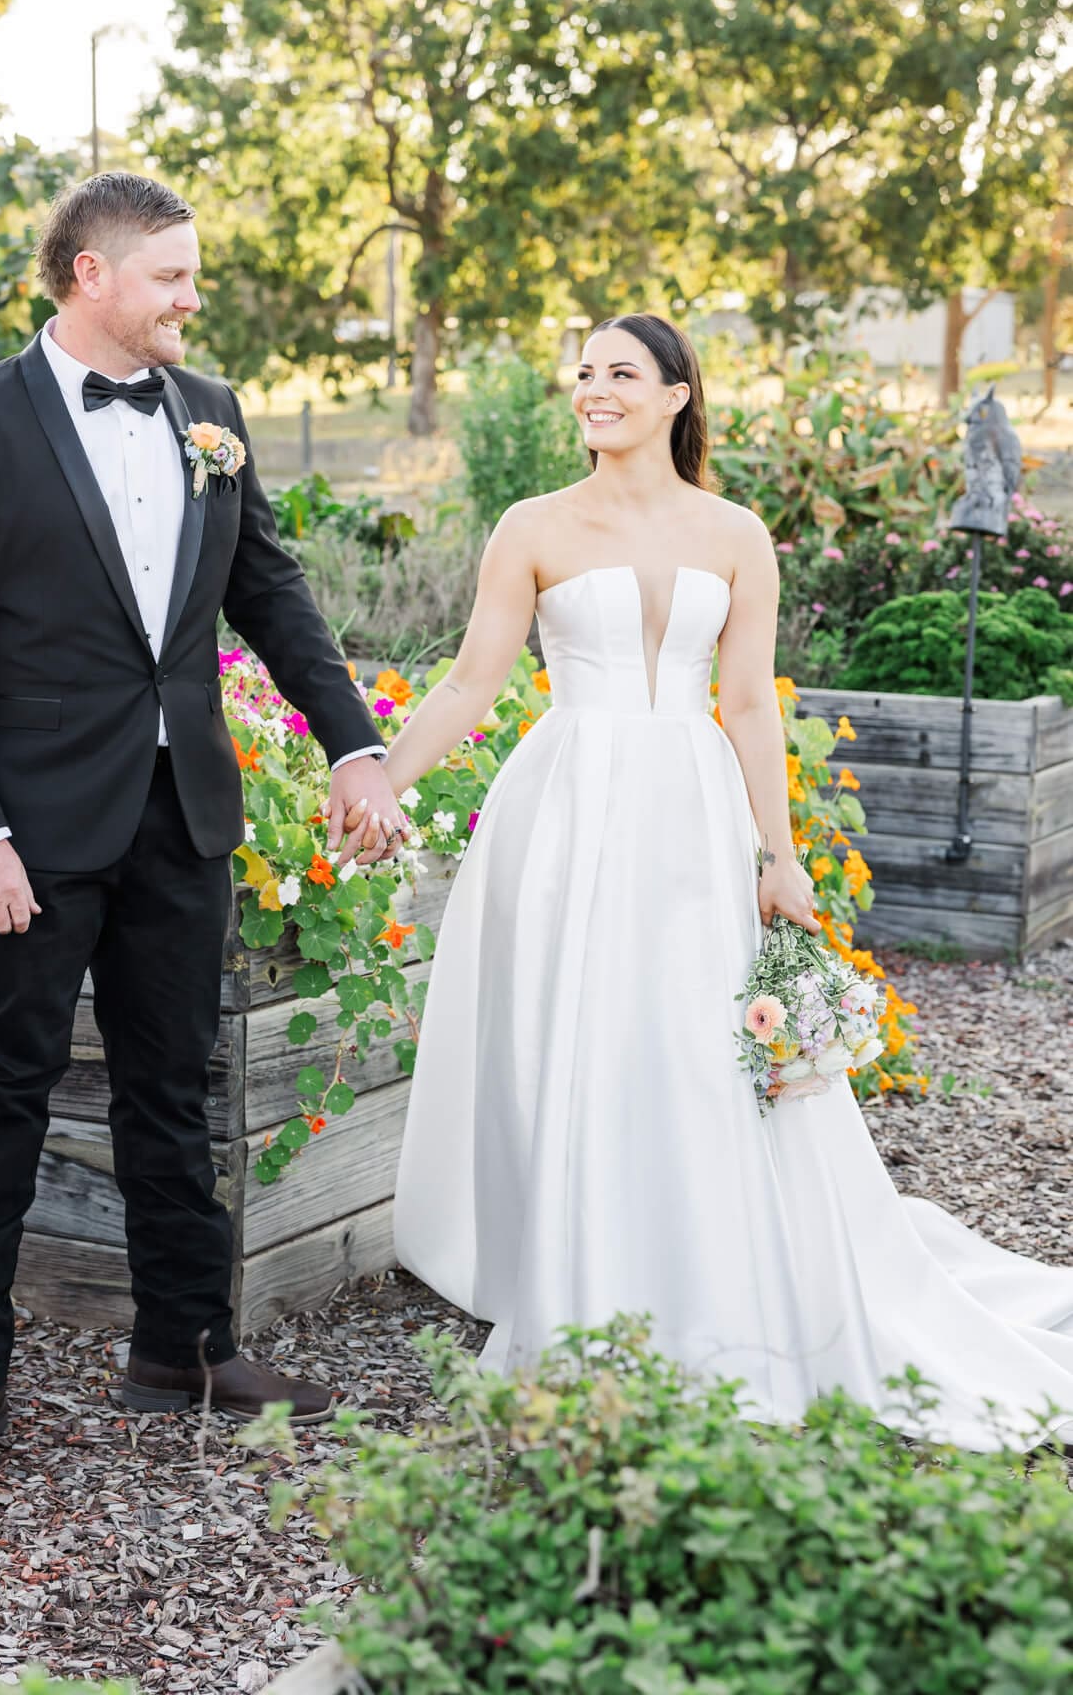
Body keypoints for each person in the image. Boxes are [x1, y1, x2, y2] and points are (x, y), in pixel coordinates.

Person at [388, 313, 1073, 1452]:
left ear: (675, 394)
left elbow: (750, 701)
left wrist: (780, 851)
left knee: (697, 1035)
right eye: (585, 373)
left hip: (691, 806)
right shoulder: (535, 524)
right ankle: (579, 1267)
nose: (594, 390)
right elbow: (470, 680)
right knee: (582, 1026)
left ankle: (705, 1261)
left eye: (621, 373)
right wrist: (383, 782)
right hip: (566, 799)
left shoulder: (735, 531)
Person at [0, 172, 406, 1492]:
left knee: (173, 1093)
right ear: (90, 277)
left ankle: (184, 1349)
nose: (191, 296)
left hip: (183, 819)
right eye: (171, 275)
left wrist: (355, 742)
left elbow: (271, 597)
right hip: (28, 834)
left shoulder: (212, 418)